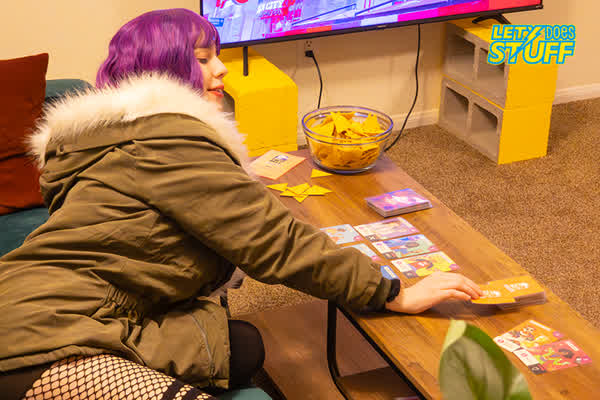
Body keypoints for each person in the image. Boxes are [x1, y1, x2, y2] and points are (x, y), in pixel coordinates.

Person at [0, 8, 482, 400]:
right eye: (204, 58)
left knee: (243, 346)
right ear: (164, 72)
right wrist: (392, 292)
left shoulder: (117, 142)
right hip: (39, 338)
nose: (222, 69)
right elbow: (277, 244)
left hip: (43, 304)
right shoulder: (169, 144)